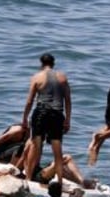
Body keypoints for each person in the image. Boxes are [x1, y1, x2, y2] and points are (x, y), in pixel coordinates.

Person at [21, 52, 72, 188]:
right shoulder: (62, 78)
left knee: (36, 146)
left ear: (41, 64)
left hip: (41, 113)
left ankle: (28, 179)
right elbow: (68, 100)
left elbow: (30, 101)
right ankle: (60, 182)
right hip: (57, 114)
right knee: (57, 150)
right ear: (53, 63)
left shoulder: (37, 77)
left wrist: (25, 118)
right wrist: (68, 119)